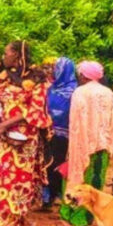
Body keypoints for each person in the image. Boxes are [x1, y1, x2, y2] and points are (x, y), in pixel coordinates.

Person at [0, 41, 51, 226]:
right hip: (5, 143)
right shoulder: (2, 78)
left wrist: (6, 125)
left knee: (20, 192)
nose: (3, 55)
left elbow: (34, 113)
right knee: (3, 190)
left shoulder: (37, 81)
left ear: (17, 55)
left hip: (25, 144)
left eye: (6, 52)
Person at [60, 61, 113, 226]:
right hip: (103, 146)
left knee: (77, 180)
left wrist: (75, 145)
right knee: (95, 183)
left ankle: (72, 216)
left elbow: (75, 121)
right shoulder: (109, 93)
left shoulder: (80, 92)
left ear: (83, 75)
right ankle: (87, 218)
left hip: (82, 145)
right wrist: (110, 141)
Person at [45, 57, 78, 205]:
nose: (54, 70)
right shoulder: (51, 87)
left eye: (57, 68)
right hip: (47, 131)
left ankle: (57, 194)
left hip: (65, 133)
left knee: (59, 163)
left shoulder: (75, 90)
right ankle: (46, 197)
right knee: (47, 162)